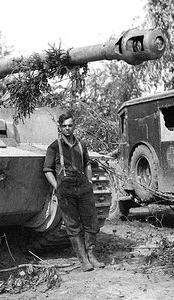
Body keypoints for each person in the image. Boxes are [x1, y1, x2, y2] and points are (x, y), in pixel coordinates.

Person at [43, 111, 105, 272]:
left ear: (74, 126)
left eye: (70, 125)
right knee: (72, 225)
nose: (68, 129)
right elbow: (47, 169)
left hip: (83, 185)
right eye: (64, 126)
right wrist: (57, 186)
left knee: (91, 222)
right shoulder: (54, 146)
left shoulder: (81, 144)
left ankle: (92, 255)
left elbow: (87, 164)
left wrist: (89, 181)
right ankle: (83, 260)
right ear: (60, 128)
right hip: (65, 187)